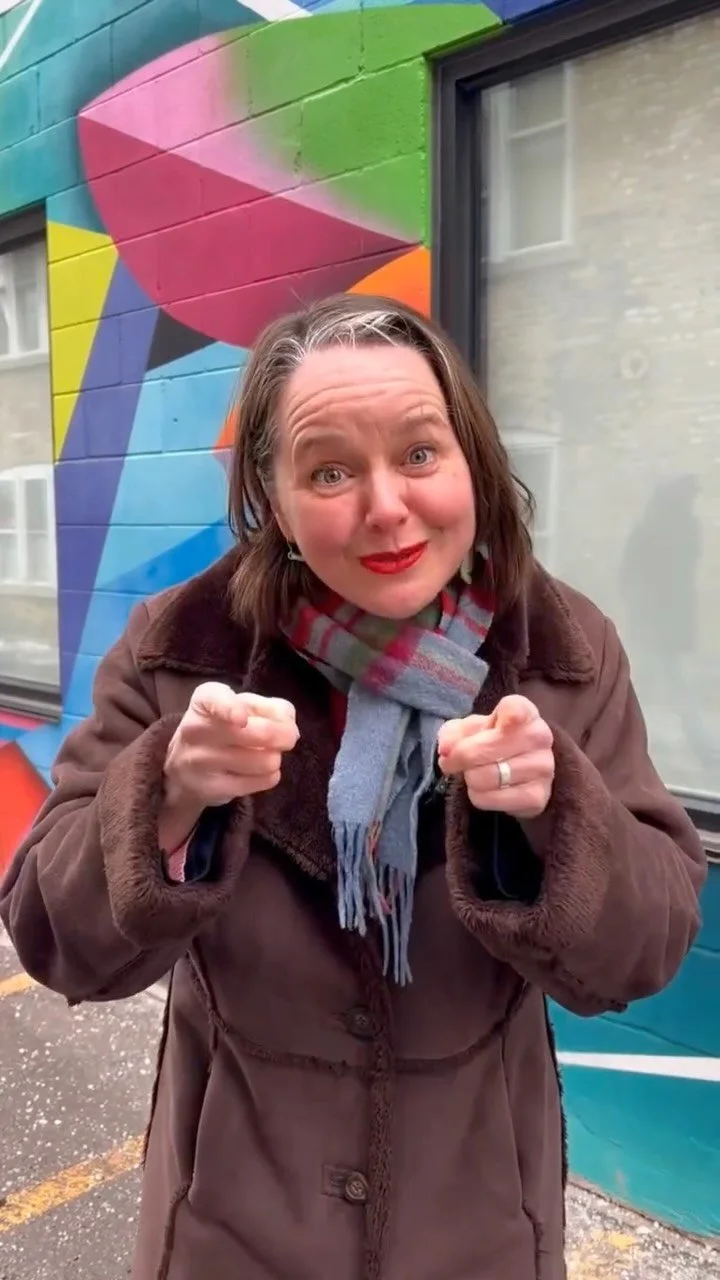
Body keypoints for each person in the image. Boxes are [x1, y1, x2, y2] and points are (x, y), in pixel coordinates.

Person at [0, 295, 705, 1280]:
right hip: (227, 1228)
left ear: (471, 460)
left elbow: (647, 949)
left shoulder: (565, 655)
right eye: (329, 470)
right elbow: (50, 934)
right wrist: (164, 793)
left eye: (419, 453)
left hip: (484, 1230)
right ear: (274, 501)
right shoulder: (180, 653)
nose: (385, 507)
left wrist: (560, 814)